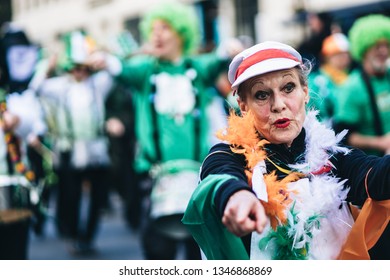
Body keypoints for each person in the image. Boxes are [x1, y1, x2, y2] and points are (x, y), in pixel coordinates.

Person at [182, 41, 390, 260]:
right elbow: (219, 175)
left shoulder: (332, 156)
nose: (278, 104)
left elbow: (374, 174)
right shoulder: (229, 154)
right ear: (243, 106)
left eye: (288, 88)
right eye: (262, 94)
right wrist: (236, 195)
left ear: (305, 93)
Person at [91, 1, 242, 260]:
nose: (157, 35)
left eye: (165, 28)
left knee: (198, 252)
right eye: (154, 29)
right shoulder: (145, 71)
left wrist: (231, 48)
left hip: (196, 177)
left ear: (181, 33)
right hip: (155, 178)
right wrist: (102, 59)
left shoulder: (197, 68)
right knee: (158, 252)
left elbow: (222, 58)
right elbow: (118, 67)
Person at [34, 30, 114, 255]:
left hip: (96, 149)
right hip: (69, 150)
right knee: (70, 197)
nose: (78, 72)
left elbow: (115, 72)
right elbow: (36, 86)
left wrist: (100, 54)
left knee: (98, 197)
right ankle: (73, 234)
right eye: (74, 67)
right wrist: (48, 65)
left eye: (82, 67)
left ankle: (88, 237)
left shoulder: (97, 85)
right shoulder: (59, 86)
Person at [332, 14, 390, 259]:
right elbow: (342, 138)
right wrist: (381, 142)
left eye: (386, 44)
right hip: (370, 182)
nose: (383, 51)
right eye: (376, 46)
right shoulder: (352, 87)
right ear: (363, 49)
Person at [308, 32, 351, 124]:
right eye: (338, 54)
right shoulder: (316, 81)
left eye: (346, 53)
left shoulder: (351, 77)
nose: (344, 57)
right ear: (327, 57)